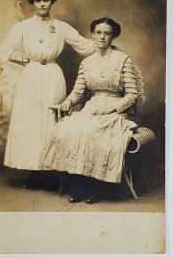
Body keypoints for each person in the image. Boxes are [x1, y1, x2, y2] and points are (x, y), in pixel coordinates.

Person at [0, 0, 95, 188]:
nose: (42, 4)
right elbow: (4, 51)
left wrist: (105, 39)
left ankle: (50, 174)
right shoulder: (23, 26)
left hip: (52, 76)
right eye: (39, 0)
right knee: (32, 123)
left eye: (46, 0)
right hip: (31, 77)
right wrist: (24, 60)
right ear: (33, 2)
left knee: (50, 121)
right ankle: (34, 173)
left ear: (52, 2)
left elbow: (84, 45)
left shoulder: (60, 27)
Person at [40, 17, 139, 203]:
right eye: (99, 33)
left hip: (115, 110)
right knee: (69, 128)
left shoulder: (123, 59)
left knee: (93, 131)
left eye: (107, 33)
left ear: (113, 36)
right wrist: (67, 103)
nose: (102, 37)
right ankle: (80, 186)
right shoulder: (86, 63)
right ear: (93, 35)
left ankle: (97, 188)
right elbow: (78, 92)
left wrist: (112, 108)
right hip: (91, 107)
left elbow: (132, 94)